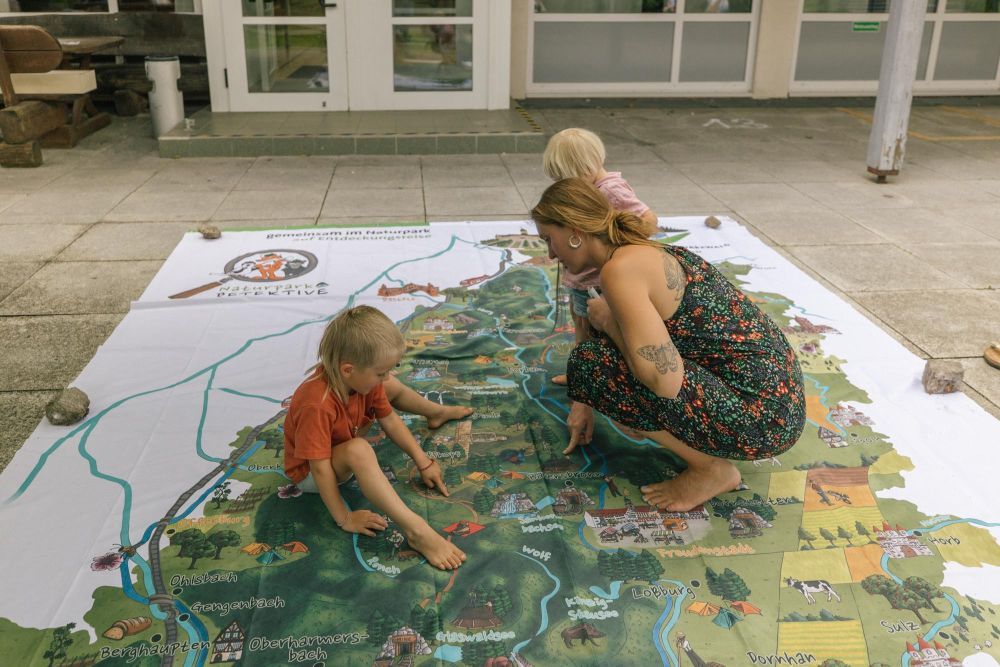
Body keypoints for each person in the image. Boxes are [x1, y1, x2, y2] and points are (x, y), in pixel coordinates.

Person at [531, 178, 805, 512]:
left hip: (764, 420)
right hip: (779, 399)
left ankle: (711, 470)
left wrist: (608, 322)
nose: (549, 253)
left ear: (574, 231)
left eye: (549, 239)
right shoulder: (645, 249)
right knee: (605, 358)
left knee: (592, 366)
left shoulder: (620, 270)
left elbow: (663, 378)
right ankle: (710, 459)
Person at [283, 305, 470, 570]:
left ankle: (436, 413)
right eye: (381, 371)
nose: (387, 375)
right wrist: (344, 517)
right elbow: (320, 469)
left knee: (389, 387)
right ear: (347, 370)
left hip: (341, 445)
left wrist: (423, 461)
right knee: (358, 449)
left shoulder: (360, 379)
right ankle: (416, 530)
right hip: (312, 474)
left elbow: (390, 419)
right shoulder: (316, 403)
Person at [542, 128, 658, 405]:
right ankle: (583, 375)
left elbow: (648, 222)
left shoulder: (610, 190)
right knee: (581, 324)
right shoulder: (594, 187)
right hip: (583, 277)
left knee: (596, 331)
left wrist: (610, 237)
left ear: (582, 167)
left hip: (599, 280)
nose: (563, 183)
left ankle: (600, 382)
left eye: (564, 176)